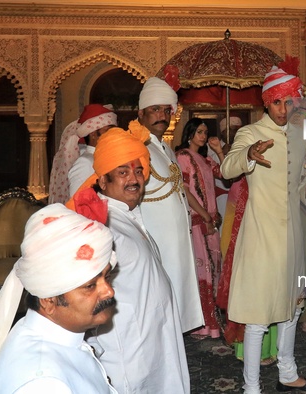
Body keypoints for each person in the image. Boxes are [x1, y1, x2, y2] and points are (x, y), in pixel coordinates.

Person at [220, 58, 306, 394]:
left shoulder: (298, 134)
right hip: (262, 237)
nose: (283, 108)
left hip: (292, 236)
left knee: (291, 310)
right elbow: (227, 168)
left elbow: (298, 191)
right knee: (258, 316)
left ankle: (287, 372)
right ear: (267, 102)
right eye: (276, 102)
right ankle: (252, 387)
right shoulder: (251, 133)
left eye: (288, 101)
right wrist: (249, 153)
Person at [68, 127, 190, 393]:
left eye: (137, 171)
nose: (133, 179)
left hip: (154, 340)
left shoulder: (127, 216)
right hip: (128, 354)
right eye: (122, 172)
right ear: (102, 181)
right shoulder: (102, 226)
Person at [0, 204, 118, 393]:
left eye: (107, 277)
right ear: (48, 300)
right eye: (90, 286)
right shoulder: (43, 384)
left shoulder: (59, 336)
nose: (109, 291)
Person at [130, 76, 203, 333]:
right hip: (155, 241)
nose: (162, 115)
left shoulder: (164, 147)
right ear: (141, 113)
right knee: (158, 310)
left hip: (177, 242)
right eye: (155, 110)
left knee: (176, 305)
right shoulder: (134, 146)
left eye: (166, 110)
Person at [176, 118, 224, 338]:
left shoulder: (204, 159)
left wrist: (218, 150)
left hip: (210, 221)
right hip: (198, 221)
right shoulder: (183, 157)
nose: (203, 136)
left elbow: (225, 173)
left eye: (206, 132)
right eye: (200, 132)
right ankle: (200, 324)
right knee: (202, 270)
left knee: (213, 268)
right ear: (190, 133)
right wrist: (205, 215)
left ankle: (211, 323)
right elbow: (185, 191)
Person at [49, 104, 117, 204]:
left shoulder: (101, 158)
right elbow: (78, 204)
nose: (113, 135)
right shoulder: (85, 163)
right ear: (93, 134)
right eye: (108, 131)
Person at [209, 116, 244, 233]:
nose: (236, 132)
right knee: (224, 228)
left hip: (240, 194)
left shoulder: (242, 146)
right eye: (233, 129)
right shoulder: (212, 146)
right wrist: (221, 153)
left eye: (238, 129)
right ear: (224, 131)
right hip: (222, 195)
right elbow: (211, 167)